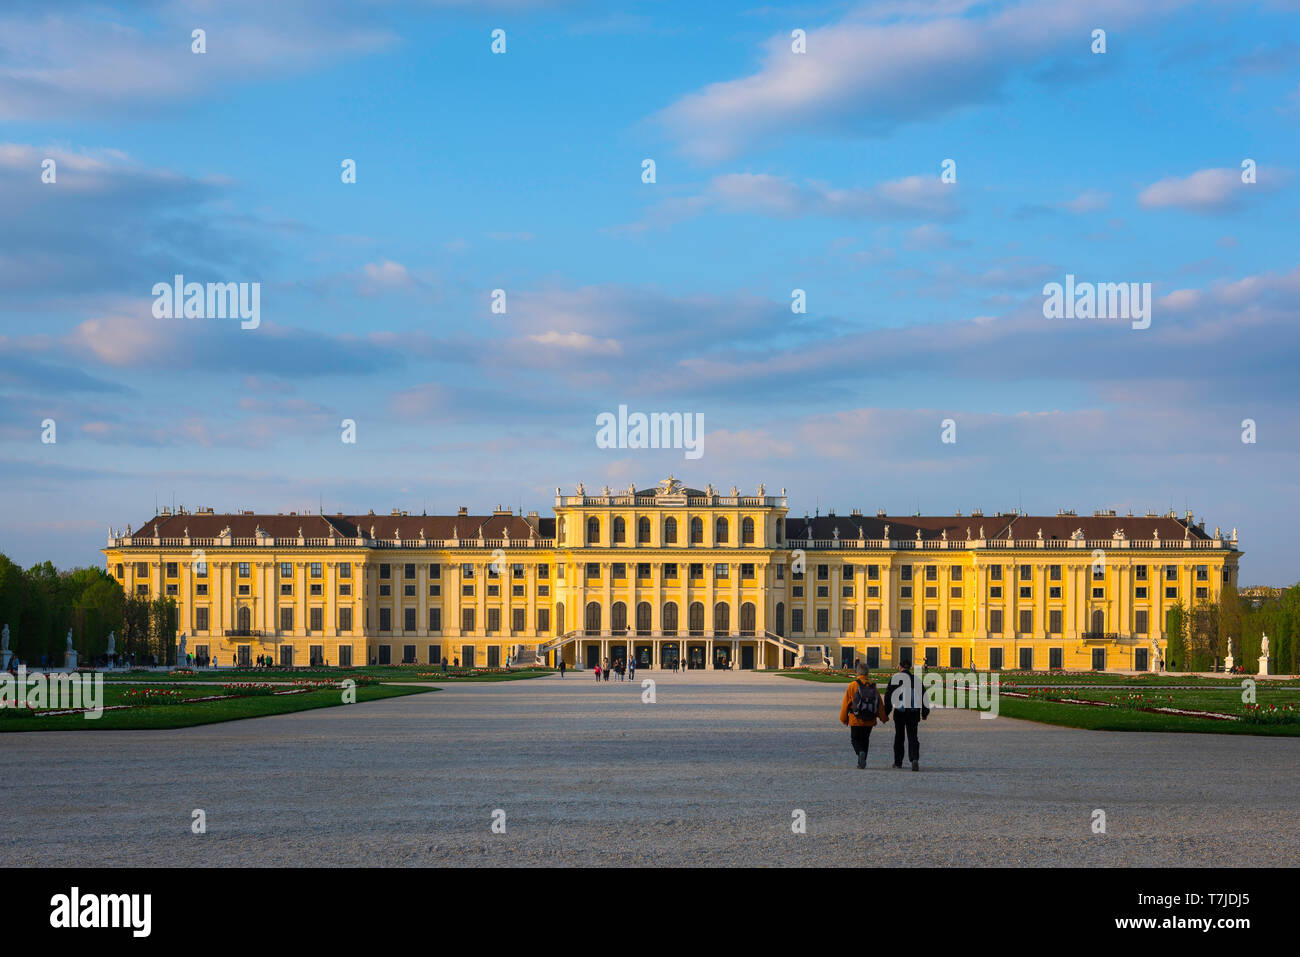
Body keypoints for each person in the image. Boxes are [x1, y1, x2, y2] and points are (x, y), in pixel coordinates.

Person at [839, 661, 888, 769]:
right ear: (867, 673)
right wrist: (883, 717)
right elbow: (879, 704)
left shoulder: (853, 685)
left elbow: (846, 703)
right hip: (870, 719)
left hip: (855, 718)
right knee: (865, 739)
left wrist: (844, 719)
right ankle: (862, 760)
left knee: (855, 739)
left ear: (857, 672)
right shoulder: (872, 686)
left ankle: (860, 753)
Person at [885, 659, 930, 771]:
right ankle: (914, 758)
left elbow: (888, 697)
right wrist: (924, 713)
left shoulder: (895, 679)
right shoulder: (916, 680)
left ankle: (898, 762)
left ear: (900, 667)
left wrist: (886, 713)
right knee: (913, 737)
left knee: (899, 737)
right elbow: (924, 697)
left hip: (900, 712)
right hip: (913, 713)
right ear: (910, 668)